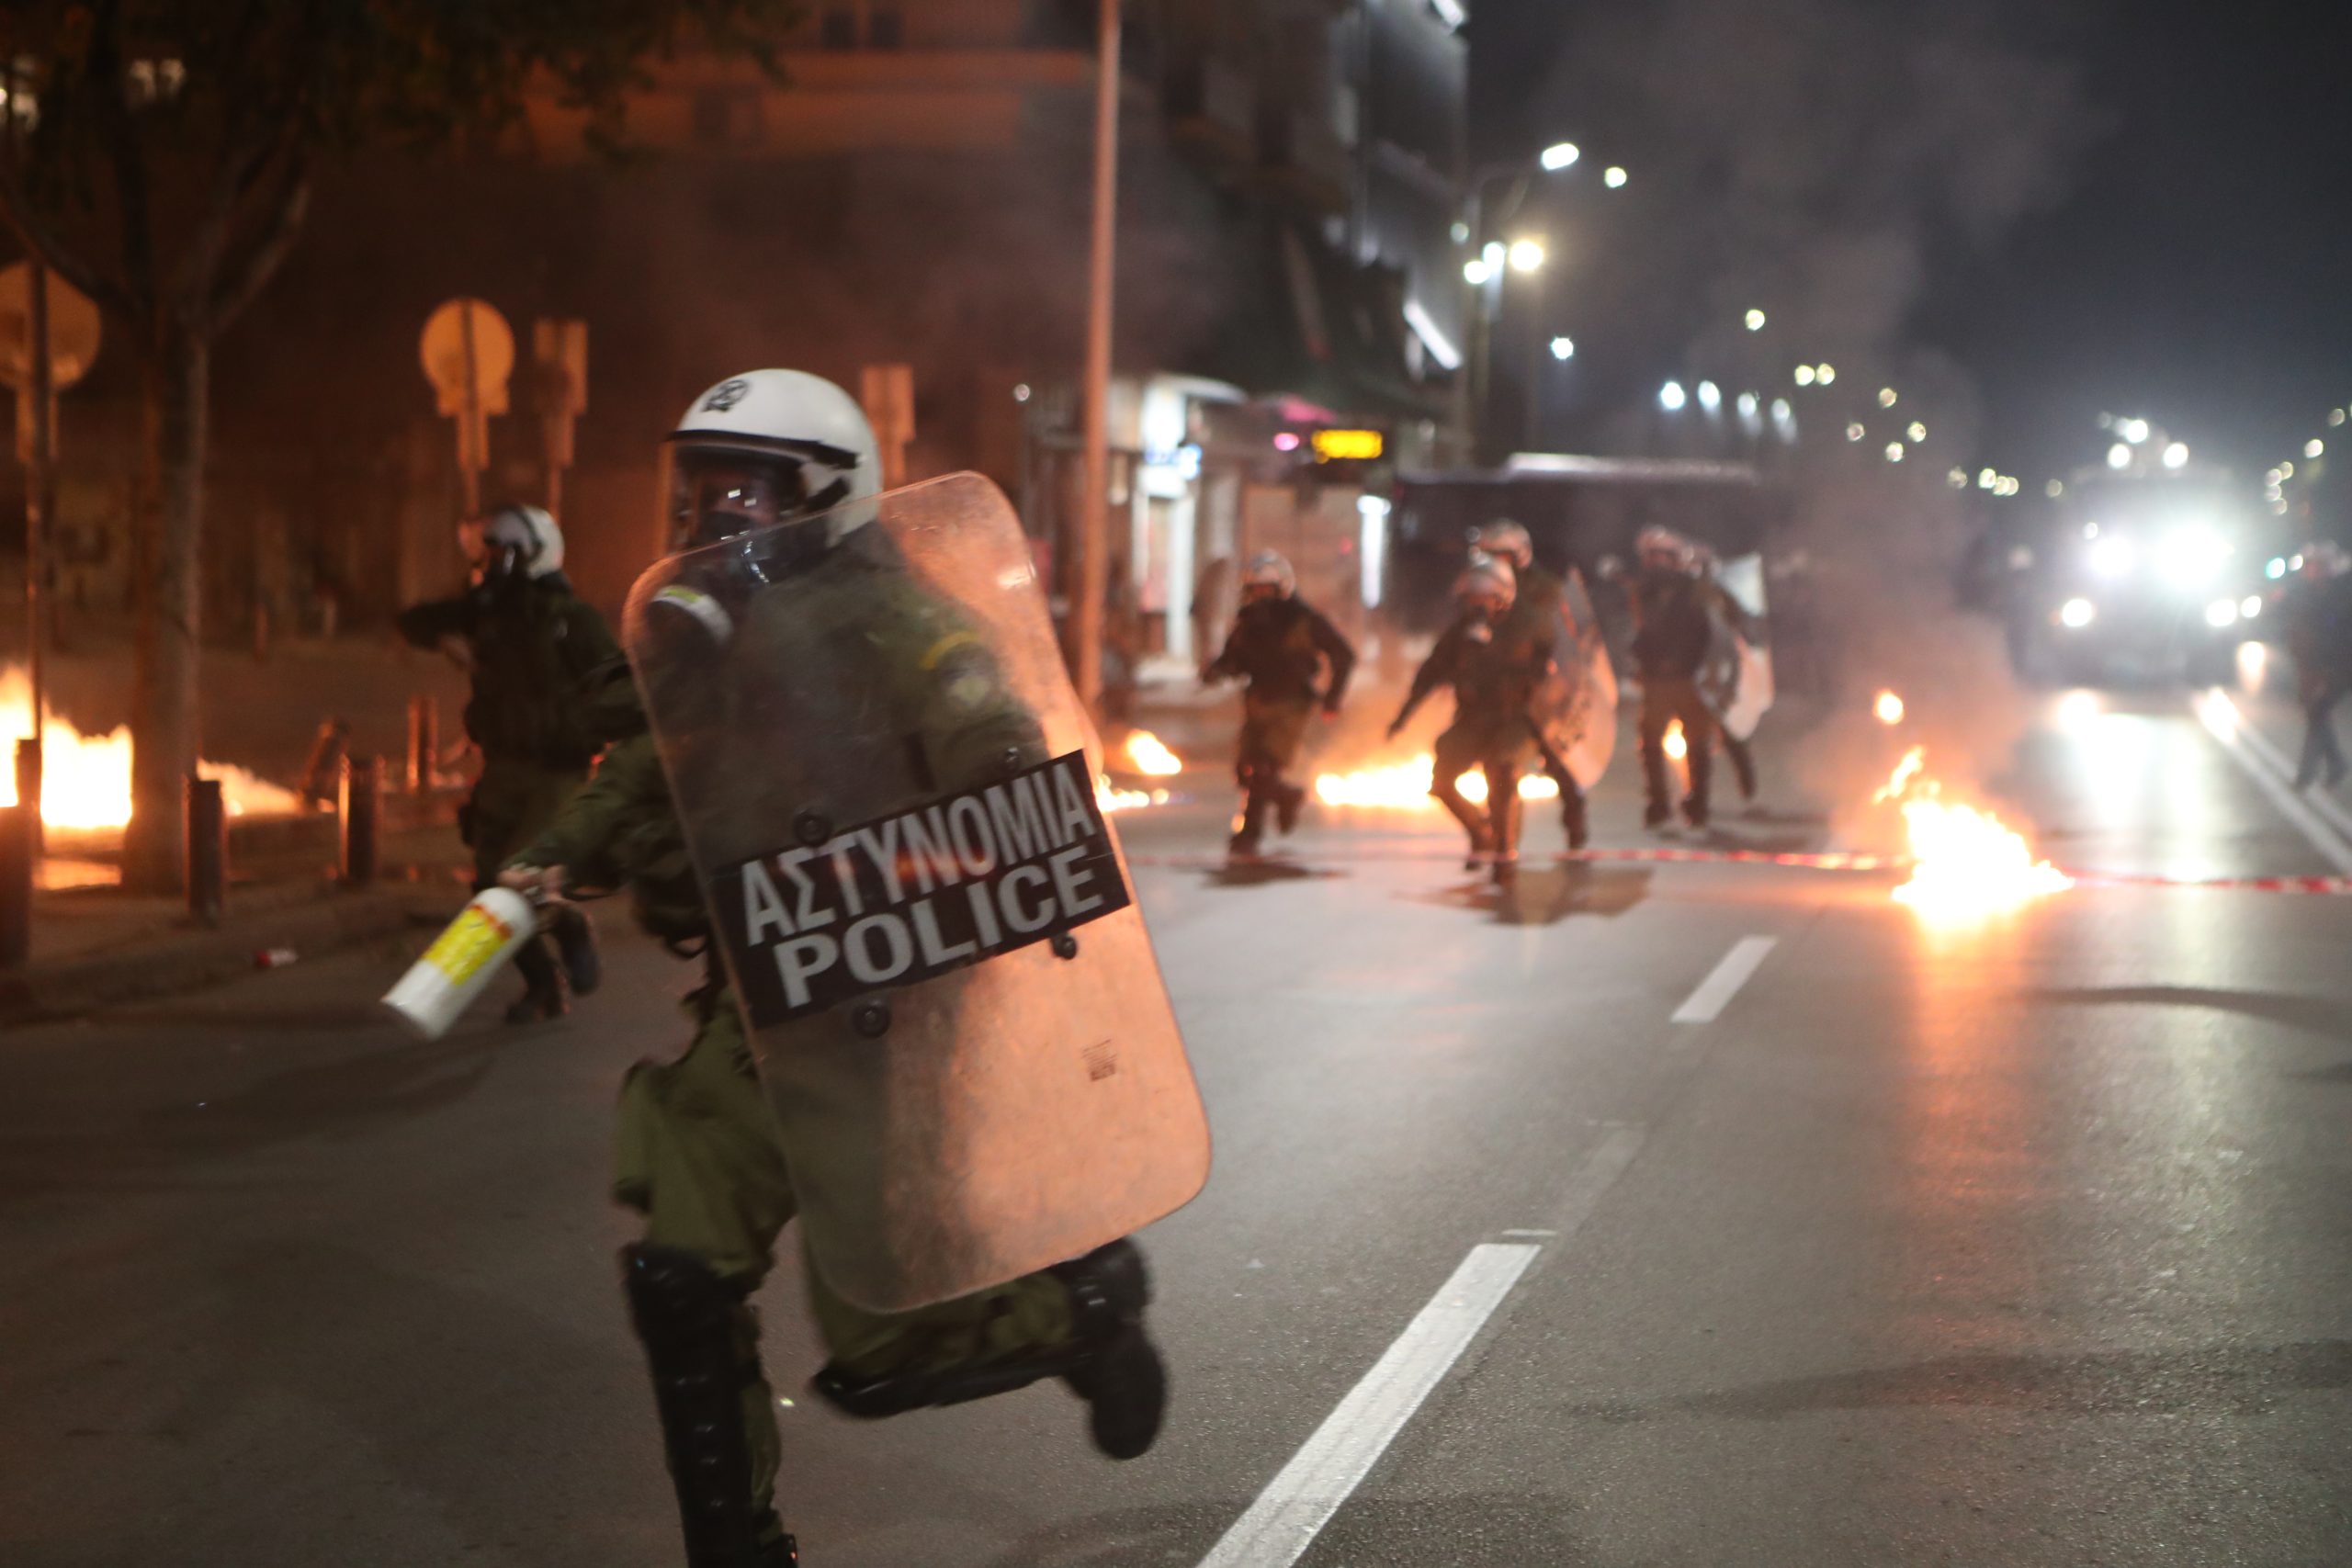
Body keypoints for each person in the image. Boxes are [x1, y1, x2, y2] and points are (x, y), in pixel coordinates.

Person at [500, 370, 1168, 1568]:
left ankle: (1084, 1306)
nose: (711, 521)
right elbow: (645, 770)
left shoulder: (905, 623)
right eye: (697, 493)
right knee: (680, 1276)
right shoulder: (708, 641)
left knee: (883, 1343)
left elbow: (1000, 752)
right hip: (754, 994)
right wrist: (537, 870)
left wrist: (971, 805)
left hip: (875, 1002)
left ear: (828, 497)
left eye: (743, 492)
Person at [397, 502, 606, 1021]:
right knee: (488, 884)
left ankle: (567, 928)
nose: (490, 563)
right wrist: (451, 639)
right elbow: (415, 621)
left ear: (531, 551)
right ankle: (543, 983)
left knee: (516, 881)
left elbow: (617, 686)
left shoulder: (570, 619)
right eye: (485, 552)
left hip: (558, 773)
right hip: (504, 767)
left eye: (499, 551)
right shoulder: (487, 613)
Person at [1388, 554, 1538, 876]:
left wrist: (1495, 653)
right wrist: (1403, 717)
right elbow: (1429, 674)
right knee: (1442, 780)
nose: (1477, 603)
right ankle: (1479, 832)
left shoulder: (1524, 628)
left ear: (1502, 596)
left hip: (1512, 718)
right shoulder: (1460, 634)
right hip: (1472, 719)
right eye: (1471, 596)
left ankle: (1504, 849)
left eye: (1484, 595)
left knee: (1503, 771)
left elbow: (1542, 672)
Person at [1202, 549, 1357, 859]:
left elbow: (1344, 655)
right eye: (1255, 590)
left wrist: (1333, 698)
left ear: (1282, 588)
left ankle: (1251, 832)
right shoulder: (1247, 623)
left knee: (1264, 768)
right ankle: (1284, 800)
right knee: (1245, 771)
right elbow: (1234, 658)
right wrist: (1216, 670)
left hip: (1291, 702)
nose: (1261, 597)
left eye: (1267, 590)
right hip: (1258, 701)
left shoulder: (1304, 619)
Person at [1471, 519, 1591, 849]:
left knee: (1553, 756)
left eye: (1499, 555)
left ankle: (1575, 817)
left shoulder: (1543, 588)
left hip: (1540, 688)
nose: (1493, 562)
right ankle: (1502, 840)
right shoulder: (1485, 585)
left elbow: (1553, 637)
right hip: (1499, 690)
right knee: (1497, 765)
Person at [1626, 525, 1719, 830]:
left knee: (1694, 744)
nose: (1655, 563)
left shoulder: (1687, 591)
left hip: (1683, 679)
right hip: (1662, 680)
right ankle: (1668, 804)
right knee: (1657, 744)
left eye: (1659, 556)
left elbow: (1703, 634)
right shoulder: (1651, 591)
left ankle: (1691, 805)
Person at [2283, 541, 2352, 790]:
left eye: (2315, 566)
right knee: (2317, 716)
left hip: (2336, 670)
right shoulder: (2309, 593)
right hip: (2313, 668)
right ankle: (2336, 765)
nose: (2310, 571)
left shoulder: (2339, 595)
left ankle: (2305, 775)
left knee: (2317, 714)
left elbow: (2339, 638)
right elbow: (2296, 627)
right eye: (2309, 566)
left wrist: (2329, 671)